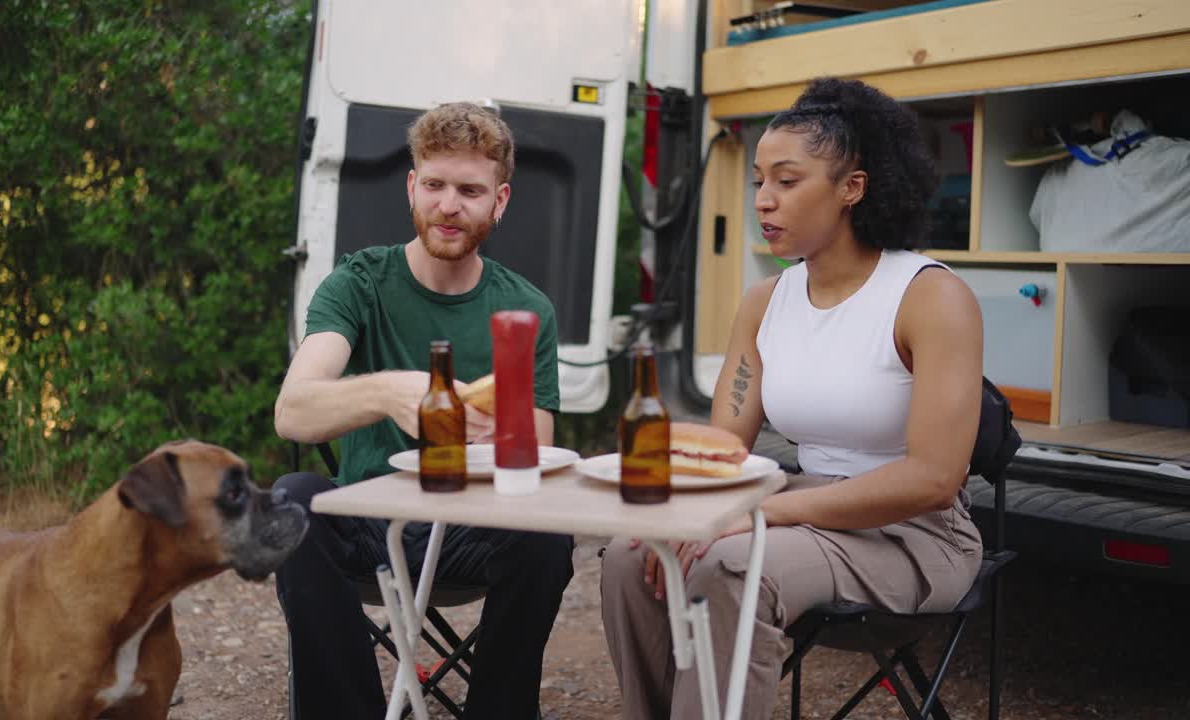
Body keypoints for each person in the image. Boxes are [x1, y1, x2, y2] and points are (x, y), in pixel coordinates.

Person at [599, 77, 986, 719]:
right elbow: (725, 446)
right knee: (628, 553)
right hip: (804, 507)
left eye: (786, 180)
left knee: (730, 565)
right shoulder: (766, 301)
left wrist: (760, 515)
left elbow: (935, 479)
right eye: (758, 181)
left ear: (851, 188)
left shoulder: (929, 297)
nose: (763, 200)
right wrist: (655, 465)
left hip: (914, 534)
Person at [272, 102, 573, 720]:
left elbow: (537, 466)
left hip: (469, 532)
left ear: (501, 200)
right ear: (412, 186)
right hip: (369, 519)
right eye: (434, 185)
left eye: (469, 190)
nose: (448, 205)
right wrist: (389, 393)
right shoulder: (359, 283)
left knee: (546, 534)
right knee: (291, 498)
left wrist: (497, 438)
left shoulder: (526, 309)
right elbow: (293, 412)